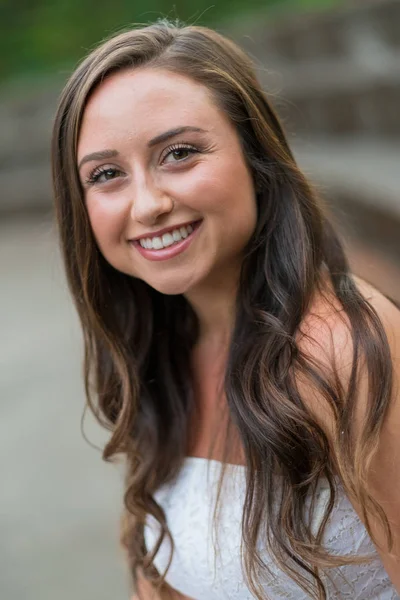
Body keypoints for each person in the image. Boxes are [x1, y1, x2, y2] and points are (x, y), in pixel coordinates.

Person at [51, 20, 400, 600]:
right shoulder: (154, 354)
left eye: (180, 153)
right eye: (107, 174)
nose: (148, 204)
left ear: (256, 159)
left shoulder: (344, 349)